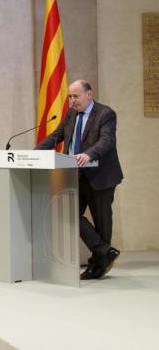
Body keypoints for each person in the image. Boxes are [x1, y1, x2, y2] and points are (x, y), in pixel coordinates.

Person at [35, 79, 124, 280]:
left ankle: (97, 266)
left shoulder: (105, 114)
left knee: (102, 224)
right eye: (70, 96)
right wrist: (34, 153)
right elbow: (56, 136)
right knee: (67, 214)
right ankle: (105, 251)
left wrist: (89, 154)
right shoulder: (71, 113)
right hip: (74, 174)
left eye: (76, 96)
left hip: (100, 176)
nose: (72, 100)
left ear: (89, 94)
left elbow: (107, 140)